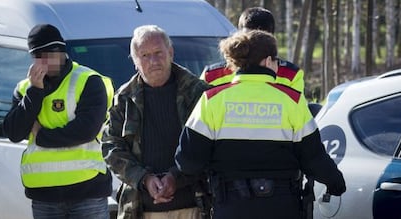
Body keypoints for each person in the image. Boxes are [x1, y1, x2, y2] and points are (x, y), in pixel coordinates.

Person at [175, 30, 346, 219]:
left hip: (230, 206)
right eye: (276, 62)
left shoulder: (212, 99)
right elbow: (314, 157)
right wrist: (335, 183)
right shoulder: (292, 101)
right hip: (281, 207)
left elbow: (188, 161)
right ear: (267, 61)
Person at [3, 24, 114, 218]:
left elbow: (84, 131)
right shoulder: (25, 89)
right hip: (44, 196)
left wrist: (42, 135)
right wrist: (35, 92)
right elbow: (13, 132)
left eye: (49, 54)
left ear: (61, 51)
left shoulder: (88, 81)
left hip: (87, 191)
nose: (44, 62)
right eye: (38, 56)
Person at [101, 25, 211, 219]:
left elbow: (209, 145)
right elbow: (111, 147)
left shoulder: (198, 93)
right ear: (135, 61)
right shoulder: (124, 98)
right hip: (140, 210)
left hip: (193, 206)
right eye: (144, 55)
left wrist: (175, 177)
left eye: (158, 53)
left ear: (171, 52)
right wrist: (144, 179)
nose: (153, 61)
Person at [200, 7, 304, 93]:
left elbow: (298, 112)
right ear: (238, 37)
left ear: (271, 39)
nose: (254, 45)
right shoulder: (212, 75)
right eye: (248, 39)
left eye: (261, 39)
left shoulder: (291, 75)